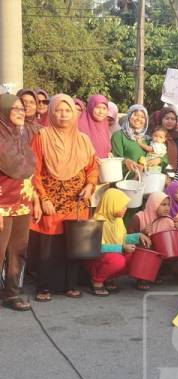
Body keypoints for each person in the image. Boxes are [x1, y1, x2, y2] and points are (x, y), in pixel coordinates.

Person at [30, 94, 98, 302]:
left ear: (74, 113)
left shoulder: (84, 140)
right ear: (51, 112)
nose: (63, 114)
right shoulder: (41, 137)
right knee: (48, 244)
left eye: (67, 110)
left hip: (75, 201)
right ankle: (44, 287)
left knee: (73, 242)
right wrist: (43, 198)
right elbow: (34, 170)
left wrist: (90, 185)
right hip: (51, 199)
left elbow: (92, 167)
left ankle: (71, 285)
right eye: (59, 110)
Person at [0, 94, 40, 311]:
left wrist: (33, 195)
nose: (20, 112)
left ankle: (12, 294)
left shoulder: (22, 136)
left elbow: (28, 171)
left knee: (18, 250)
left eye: (21, 108)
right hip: (1, 204)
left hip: (23, 201)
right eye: (14, 108)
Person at [84, 189, 150, 296]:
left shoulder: (117, 220)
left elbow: (122, 239)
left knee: (135, 256)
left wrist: (138, 236)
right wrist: (122, 248)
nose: (125, 209)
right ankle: (96, 281)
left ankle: (108, 278)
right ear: (112, 204)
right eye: (122, 206)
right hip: (95, 260)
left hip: (109, 256)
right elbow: (97, 248)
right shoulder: (97, 221)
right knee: (118, 260)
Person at [128, 191, 178, 289]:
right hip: (144, 255)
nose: (167, 208)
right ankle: (141, 278)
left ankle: (157, 273)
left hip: (161, 255)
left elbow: (176, 241)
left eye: (168, 205)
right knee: (144, 244)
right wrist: (142, 233)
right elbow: (128, 237)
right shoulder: (139, 217)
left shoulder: (168, 220)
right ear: (154, 204)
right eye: (163, 205)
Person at [111, 104, 158, 173]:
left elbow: (162, 152)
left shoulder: (148, 138)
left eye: (142, 117)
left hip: (146, 179)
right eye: (135, 115)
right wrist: (125, 161)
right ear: (129, 116)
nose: (139, 119)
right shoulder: (119, 136)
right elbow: (116, 158)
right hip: (127, 180)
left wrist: (159, 159)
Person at [158, 107, 178, 181]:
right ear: (160, 119)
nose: (170, 121)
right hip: (153, 179)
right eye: (167, 118)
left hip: (172, 182)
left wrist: (173, 181)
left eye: (173, 119)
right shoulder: (154, 138)